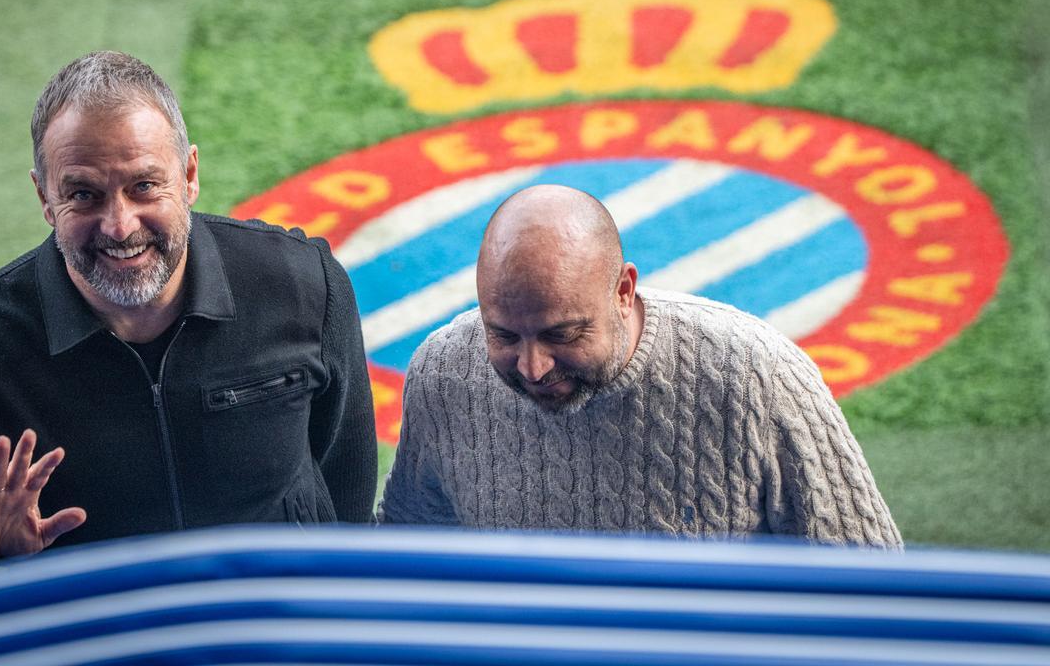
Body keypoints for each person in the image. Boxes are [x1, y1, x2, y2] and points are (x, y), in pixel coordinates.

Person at [0, 51, 377, 589]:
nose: (120, 225)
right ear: (44, 197)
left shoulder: (304, 284)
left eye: (144, 186)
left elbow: (348, 491)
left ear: (190, 175)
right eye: (84, 194)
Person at [379, 185, 901, 547]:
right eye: (503, 335)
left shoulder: (754, 375)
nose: (533, 367)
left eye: (563, 334)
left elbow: (867, 581)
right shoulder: (444, 373)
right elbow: (408, 553)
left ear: (624, 291)